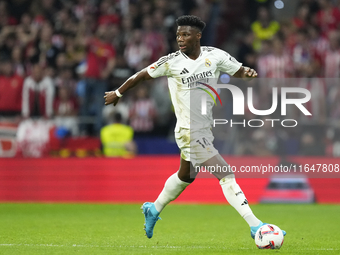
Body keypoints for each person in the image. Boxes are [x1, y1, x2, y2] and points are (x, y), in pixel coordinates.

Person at [104, 15, 286, 240]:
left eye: (185, 34)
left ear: (197, 36)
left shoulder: (215, 56)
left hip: (205, 128)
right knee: (225, 174)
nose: (180, 38)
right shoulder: (171, 62)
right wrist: (118, 93)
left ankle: (154, 208)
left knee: (186, 176)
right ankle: (256, 226)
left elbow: (237, 70)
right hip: (189, 131)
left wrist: (247, 73)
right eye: (178, 34)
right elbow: (141, 75)